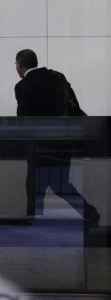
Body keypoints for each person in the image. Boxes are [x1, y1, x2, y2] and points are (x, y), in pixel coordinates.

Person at [14, 49, 99, 226]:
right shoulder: (58, 77)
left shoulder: (23, 87)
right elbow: (74, 108)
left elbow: (24, 120)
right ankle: (89, 212)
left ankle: (34, 220)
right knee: (60, 183)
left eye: (16, 64)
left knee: (34, 185)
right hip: (64, 142)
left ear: (20, 65)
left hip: (40, 145)